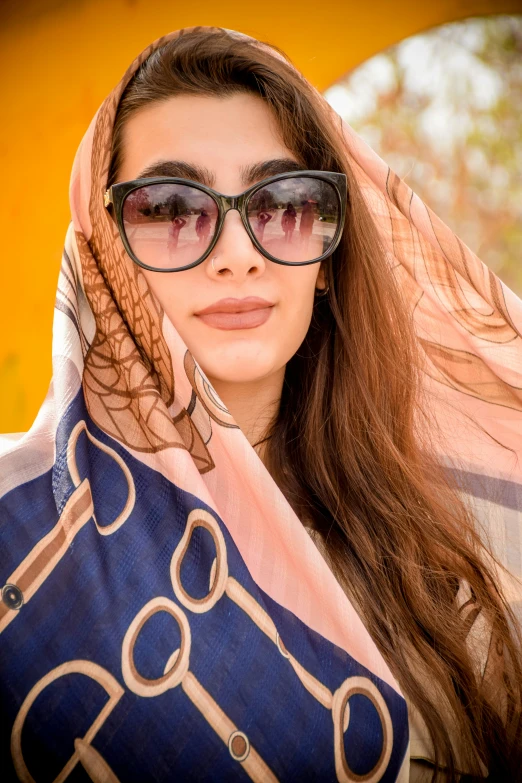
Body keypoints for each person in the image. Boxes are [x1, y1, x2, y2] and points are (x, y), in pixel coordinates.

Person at [0, 26, 521, 783]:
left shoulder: (433, 536)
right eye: (171, 207)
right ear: (106, 255)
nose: (238, 251)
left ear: (325, 259)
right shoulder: (17, 534)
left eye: (285, 201)